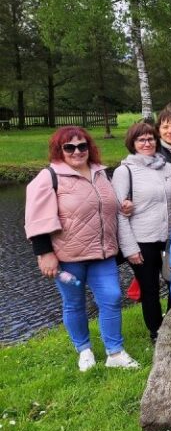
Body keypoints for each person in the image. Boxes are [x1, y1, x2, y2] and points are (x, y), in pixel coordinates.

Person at [24, 126, 139, 371]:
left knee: (111, 297)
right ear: (60, 150)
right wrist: (44, 253)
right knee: (74, 303)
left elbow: (106, 206)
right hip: (68, 258)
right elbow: (37, 218)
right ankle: (84, 349)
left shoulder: (100, 173)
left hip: (103, 253)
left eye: (82, 146)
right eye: (70, 147)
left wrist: (123, 207)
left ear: (89, 147)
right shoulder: (49, 177)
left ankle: (115, 352)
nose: (77, 152)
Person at [113, 121, 171, 343]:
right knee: (149, 288)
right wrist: (129, 248)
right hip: (142, 240)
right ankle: (156, 332)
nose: (147, 143)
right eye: (141, 139)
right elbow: (120, 214)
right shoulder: (125, 171)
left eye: (151, 138)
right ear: (132, 143)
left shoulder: (167, 168)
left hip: (168, 239)